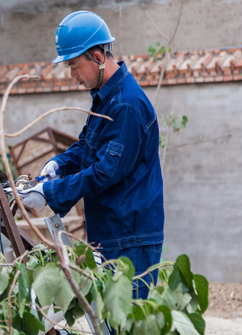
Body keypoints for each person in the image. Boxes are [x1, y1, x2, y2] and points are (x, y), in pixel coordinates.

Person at [19, 11, 164, 299]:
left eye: (73, 65)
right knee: (110, 328)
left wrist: (51, 192)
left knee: (126, 333)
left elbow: (104, 172)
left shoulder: (125, 105)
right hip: (113, 232)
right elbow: (86, 146)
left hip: (129, 238)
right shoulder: (107, 97)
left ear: (98, 57)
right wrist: (58, 164)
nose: (71, 75)